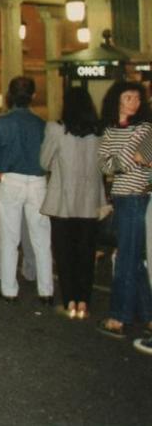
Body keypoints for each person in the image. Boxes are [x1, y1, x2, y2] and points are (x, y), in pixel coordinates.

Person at [0, 76, 52, 304]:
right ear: (33, 96)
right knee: (41, 238)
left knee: (9, 236)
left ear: (9, 96)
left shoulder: (2, 123)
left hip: (11, 180)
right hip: (37, 181)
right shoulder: (42, 124)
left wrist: (0, 174)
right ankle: (46, 290)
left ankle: (9, 289)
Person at [95, 81, 152, 342]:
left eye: (138, 99)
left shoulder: (146, 128)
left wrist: (122, 161)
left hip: (137, 197)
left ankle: (119, 317)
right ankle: (147, 314)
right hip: (120, 197)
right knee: (134, 261)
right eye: (129, 97)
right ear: (116, 99)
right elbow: (105, 165)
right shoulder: (110, 130)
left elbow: (145, 163)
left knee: (126, 261)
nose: (134, 102)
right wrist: (129, 158)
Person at [40, 87, 103, 320]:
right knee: (86, 253)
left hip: (62, 201)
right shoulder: (99, 131)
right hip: (90, 201)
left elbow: (44, 162)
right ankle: (85, 300)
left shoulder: (56, 128)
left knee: (65, 253)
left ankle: (70, 301)